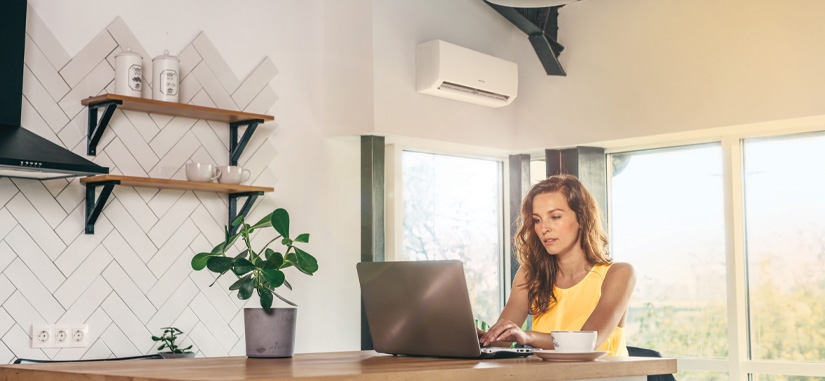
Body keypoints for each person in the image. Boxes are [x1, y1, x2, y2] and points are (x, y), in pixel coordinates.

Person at [478, 174, 635, 356]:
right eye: (537, 220)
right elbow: (501, 341)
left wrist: (527, 337)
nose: (544, 228)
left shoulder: (619, 274)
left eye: (555, 217)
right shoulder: (530, 274)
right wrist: (481, 337)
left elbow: (587, 342)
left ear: (582, 218)